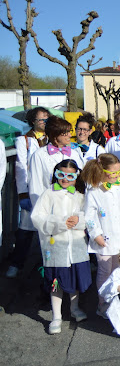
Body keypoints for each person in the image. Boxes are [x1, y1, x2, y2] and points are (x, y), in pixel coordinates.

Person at [30, 159, 90, 335]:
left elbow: (88, 214)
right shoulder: (48, 193)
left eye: (70, 176)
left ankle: (74, 307)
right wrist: (60, 223)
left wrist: (79, 220)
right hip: (56, 246)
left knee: (75, 280)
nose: (65, 179)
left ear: (76, 177)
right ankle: (56, 316)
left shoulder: (79, 195)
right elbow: (38, 217)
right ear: (55, 174)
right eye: (61, 175)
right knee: (56, 283)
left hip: (76, 246)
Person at [82, 153, 120, 315]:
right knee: (104, 271)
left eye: (118, 172)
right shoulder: (94, 192)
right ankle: (103, 303)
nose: (116, 176)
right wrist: (96, 235)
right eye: (112, 173)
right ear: (102, 171)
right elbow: (89, 216)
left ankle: (116, 299)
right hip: (104, 239)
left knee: (118, 270)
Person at [6, 106, 50, 278]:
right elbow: (21, 168)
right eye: (41, 120)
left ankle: (45, 265)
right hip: (31, 191)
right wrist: (23, 194)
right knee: (26, 230)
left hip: (47, 191)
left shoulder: (52, 139)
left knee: (47, 230)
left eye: (47, 120)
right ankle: (17, 263)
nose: (45, 123)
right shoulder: (24, 140)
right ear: (33, 121)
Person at [29, 116, 84, 209]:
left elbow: (81, 182)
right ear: (55, 135)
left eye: (69, 132)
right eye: (66, 133)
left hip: (72, 206)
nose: (70, 136)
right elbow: (35, 186)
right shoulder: (39, 155)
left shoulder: (74, 154)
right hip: (50, 207)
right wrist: (41, 212)